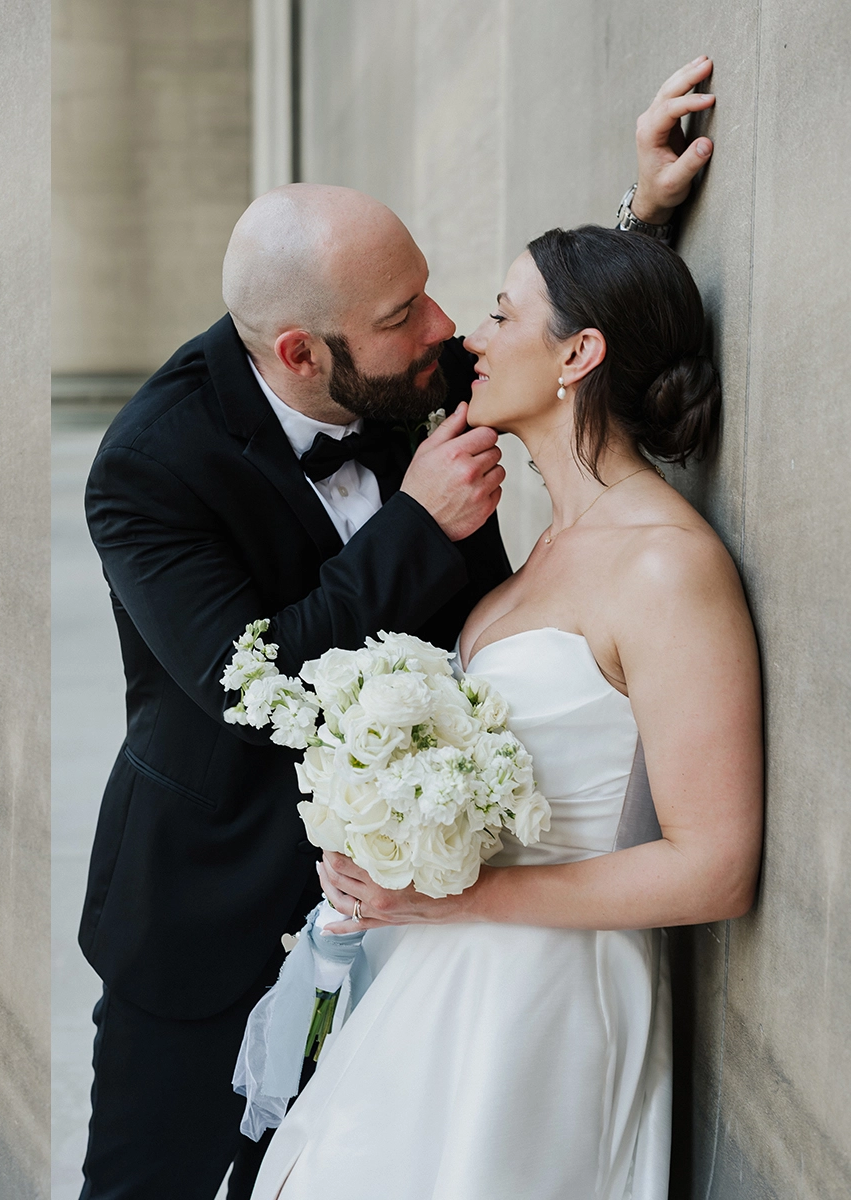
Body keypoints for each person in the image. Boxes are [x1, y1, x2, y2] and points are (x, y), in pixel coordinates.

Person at [77, 56, 718, 1200]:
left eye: (431, 291)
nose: (442, 329)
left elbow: (571, 348)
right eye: (402, 315)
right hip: (211, 907)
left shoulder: (405, 368)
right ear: (300, 355)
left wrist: (644, 219)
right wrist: (415, 524)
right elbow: (254, 687)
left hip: (442, 925)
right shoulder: (144, 468)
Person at [245, 219, 758, 1200]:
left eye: (499, 313)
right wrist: (383, 834)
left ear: (579, 354)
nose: (469, 339)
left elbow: (715, 865)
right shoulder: (548, 551)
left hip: (545, 1006)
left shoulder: (666, 564)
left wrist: (458, 897)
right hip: (441, 971)